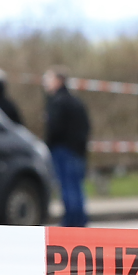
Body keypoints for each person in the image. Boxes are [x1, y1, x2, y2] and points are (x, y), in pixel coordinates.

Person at [43, 66, 90, 227]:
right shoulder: (76, 101)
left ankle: (71, 223)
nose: (46, 83)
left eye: (49, 79)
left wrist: (48, 145)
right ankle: (80, 221)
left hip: (63, 150)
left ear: (59, 81)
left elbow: (54, 128)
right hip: (77, 151)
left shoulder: (57, 102)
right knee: (76, 187)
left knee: (67, 187)